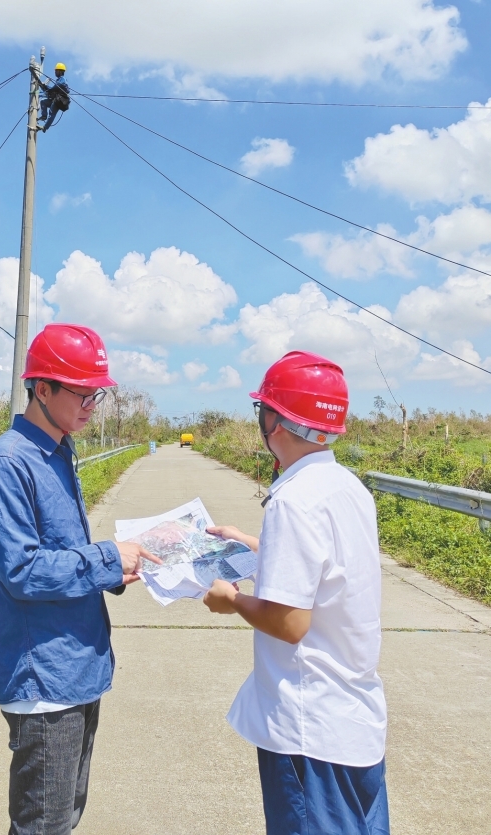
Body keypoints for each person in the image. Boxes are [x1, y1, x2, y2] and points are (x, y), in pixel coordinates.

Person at [0, 323, 160, 835]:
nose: (90, 405)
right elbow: (21, 569)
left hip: (78, 666)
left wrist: (118, 567)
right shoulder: (9, 463)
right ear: (42, 389)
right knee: (43, 824)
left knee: (65, 815)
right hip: (44, 678)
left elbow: (66, 552)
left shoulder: (59, 451)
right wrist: (105, 559)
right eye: (80, 393)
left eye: (95, 395)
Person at [203, 350, 389, 835]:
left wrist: (232, 600)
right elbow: (328, 569)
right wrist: (252, 545)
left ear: (276, 422)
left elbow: (289, 622)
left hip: (311, 731)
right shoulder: (347, 487)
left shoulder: (293, 499)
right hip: (354, 718)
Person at [38, 62, 70, 131]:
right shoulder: (58, 80)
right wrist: (45, 86)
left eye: (56, 71)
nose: (55, 72)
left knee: (52, 113)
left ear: (60, 71)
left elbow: (57, 86)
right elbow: (53, 88)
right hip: (56, 99)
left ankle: (45, 127)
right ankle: (44, 116)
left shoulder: (62, 79)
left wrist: (49, 89)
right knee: (43, 102)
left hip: (61, 100)